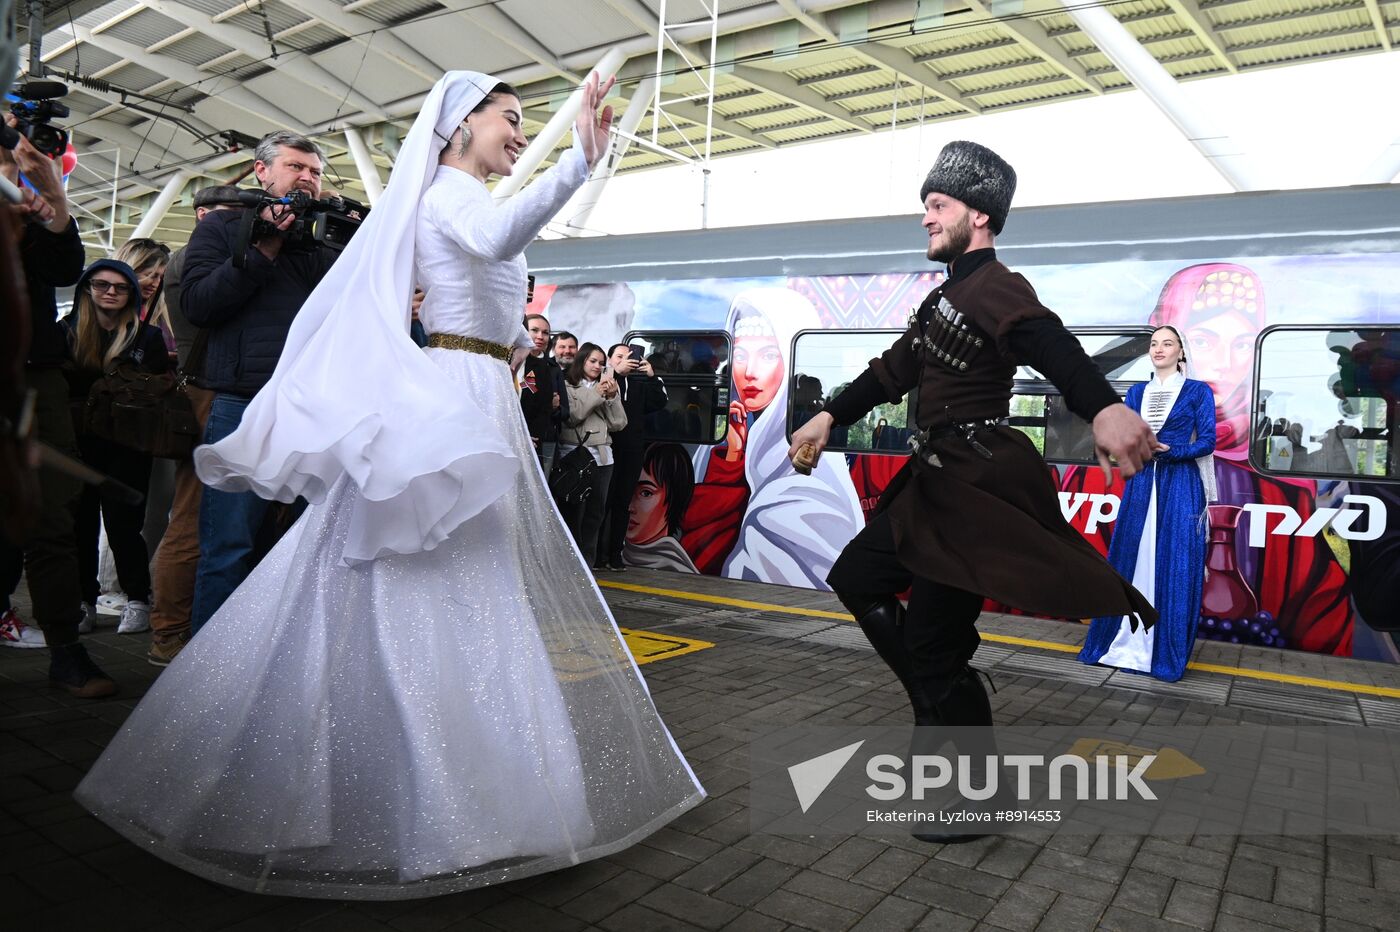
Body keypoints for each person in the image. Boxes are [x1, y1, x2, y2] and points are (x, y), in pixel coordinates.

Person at [75, 70, 702, 898]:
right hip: (454, 401)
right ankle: (443, 799)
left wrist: (510, 340)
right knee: (438, 584)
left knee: (430, 583)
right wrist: (578, 162)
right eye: (509, 120)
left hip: (473, 399)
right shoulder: (450, 194)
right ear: (458, 125)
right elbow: (502, 233)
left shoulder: (455, 198)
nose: (520, 134)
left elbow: (490, 288)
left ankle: (422, 787)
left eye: (527, 124)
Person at [789, 140, 1160, 842]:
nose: (927, 219)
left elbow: (1051, 345)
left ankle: (962, 775)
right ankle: (939, 705)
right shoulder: (944, 300)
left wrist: (1103, 406)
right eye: (927, 206)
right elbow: (888, 373)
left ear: (980, 215)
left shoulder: (996, 287)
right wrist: (831, 413)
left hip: (974, 483)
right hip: (936, 480)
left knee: (933, 638)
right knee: (860, 579)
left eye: (939, 206)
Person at [180, 130, 338, 634]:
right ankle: (204, 679)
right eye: (296, 167)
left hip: (309, 412)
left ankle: (268, 664)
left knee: (297, 547)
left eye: (314, 171)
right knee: (228, 547)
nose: (307, 179)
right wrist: (262, 247)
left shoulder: (323, 239)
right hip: (242, 405)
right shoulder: (225, 228)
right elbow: (199, 305)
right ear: (261, 171)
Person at [0, 117, 118, 692]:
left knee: (52, 516)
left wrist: (51, 194)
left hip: (34, 374)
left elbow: (65, 270)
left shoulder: (31, 197)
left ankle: (66, 649)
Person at [681, 288, 864, 588]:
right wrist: (732, 458)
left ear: (792, 361)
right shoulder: (737, 438)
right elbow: (699, 549)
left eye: (767, 354)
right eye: (739, 355)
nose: (749, 372)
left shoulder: (815, 483)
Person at [1079, 326, 1216, 681]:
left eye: (1168, 344)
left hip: (1180, 485)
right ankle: (1118, 643)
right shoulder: (1137, 392)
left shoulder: (1198, 392)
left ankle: (1163, 653)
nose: (1159, 349)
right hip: (1142, 485)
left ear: (1181, 352)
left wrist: (1174, 452)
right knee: (1132, 559)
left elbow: (1208, 443)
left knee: (1174, 563)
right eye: (1154, 344)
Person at [145, 186, 241, 665]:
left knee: (203, 518)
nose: (239, 222)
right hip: (207, 392)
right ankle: (169, 632)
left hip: (212, 391)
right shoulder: (194, 260)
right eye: (230, 214)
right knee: (191, 518)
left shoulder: (192, 259)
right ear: (204, 215)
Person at [64, 260, 171, 637]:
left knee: (126, 526)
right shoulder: (66, 332)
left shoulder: (147, 337)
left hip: (128, 445)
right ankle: (83, 602)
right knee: (80, 524)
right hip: (78, 446)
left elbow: (159, 390)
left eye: (118, 286)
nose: (109, 292)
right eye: (100, 285)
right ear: (87, 289)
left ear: (129, 292)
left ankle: (137, 599)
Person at [598, 342, 667, 571]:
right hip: (607, 448)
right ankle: (598, 554)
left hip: (632, 449)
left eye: (628, 356)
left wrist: (651, 376)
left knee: (622, 503)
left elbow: (659, 403)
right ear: (609, 360)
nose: (624, 360)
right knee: (603, 503)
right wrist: (617, 373)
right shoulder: (604, 378)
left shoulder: (638, 384)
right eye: (618, 356)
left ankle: (615, 554)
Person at [559, 342, 628, 567]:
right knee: (573, 513)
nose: (598, 366)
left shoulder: (605, 386)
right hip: (574, 456)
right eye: (593, 361)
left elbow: (619, 423)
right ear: (582, 361)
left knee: (595, 514)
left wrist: (613, 397)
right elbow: (573, 416)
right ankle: (570, 562)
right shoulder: (567, 385)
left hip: (603, 459)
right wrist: (595, 394)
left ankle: (587, 564)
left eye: (601, 363)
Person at [624, 442, 699, 573]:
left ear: (674, 498)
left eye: (646, 493)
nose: (630, 506)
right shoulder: (616, 554)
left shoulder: (678, 570)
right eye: (628, 489)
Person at [519, 312, 568, 472]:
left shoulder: (549, 368)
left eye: (546, 333)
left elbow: (559, 410)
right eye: (535, 330)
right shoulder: (507, 362)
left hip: (539, 440)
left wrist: (553, 406)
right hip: (513, 435)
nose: (541, 336)